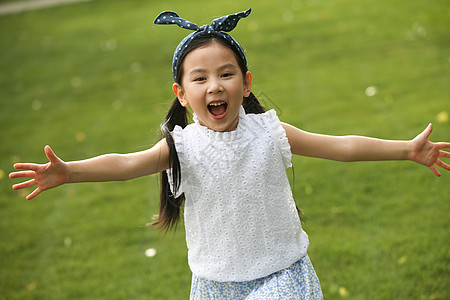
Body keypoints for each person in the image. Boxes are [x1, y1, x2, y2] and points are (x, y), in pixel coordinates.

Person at [9, 8, 450, 300]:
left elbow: (341, 146)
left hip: (282, 273)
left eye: (226, 74)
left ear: (247, 82)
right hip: (214, 284)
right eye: (200, 79)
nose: (215, 86)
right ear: (182, 94)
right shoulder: (182, 146)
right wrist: (70, 172)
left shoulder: (270, 131)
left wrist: (407, 149)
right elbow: (125, 164)